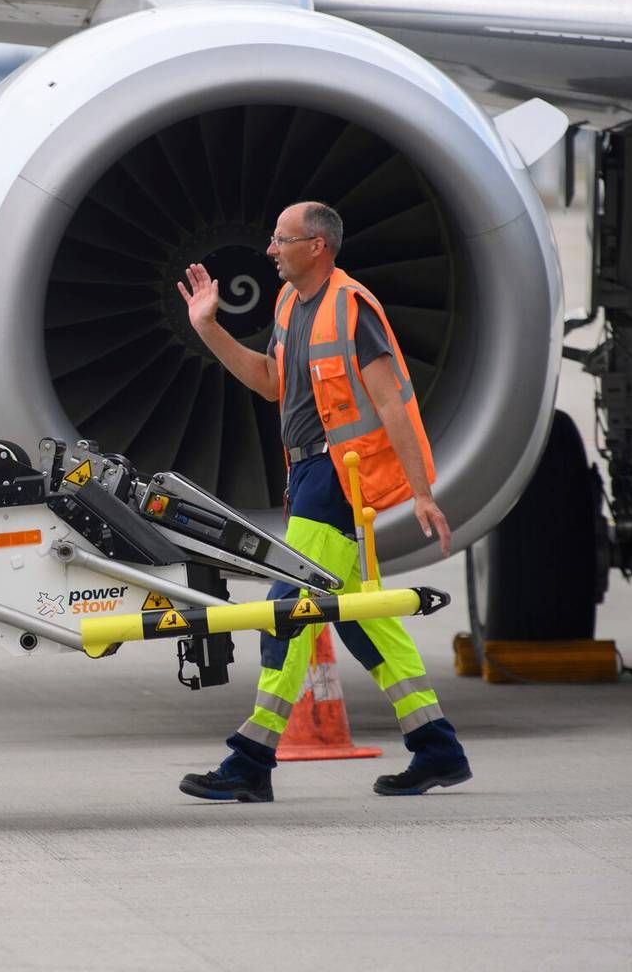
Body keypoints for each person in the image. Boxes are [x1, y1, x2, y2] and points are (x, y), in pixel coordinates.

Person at [174, 201, 469, 801]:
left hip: (341, 480)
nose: (270, 250)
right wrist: (207, 327)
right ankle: (437, 748)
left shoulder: (352, 307)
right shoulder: (289, 305)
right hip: (307, 474)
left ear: (318, 246)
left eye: (281, 240)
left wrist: (421, 493)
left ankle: (251, 760)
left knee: (287, 611)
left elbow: (392, 404)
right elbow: (268, 382)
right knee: (362, 620)